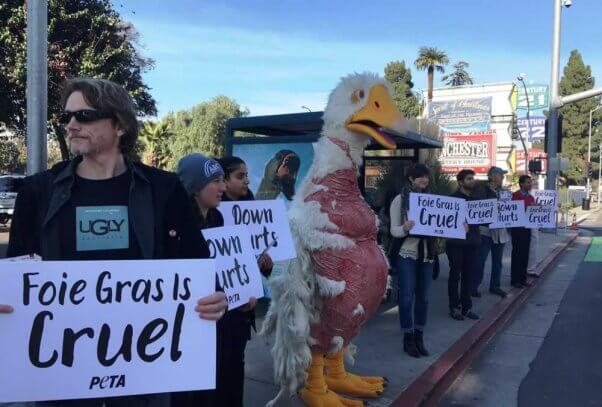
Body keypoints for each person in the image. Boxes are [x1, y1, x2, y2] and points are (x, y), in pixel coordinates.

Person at [2, 78, 227, 407]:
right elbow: (15, 275)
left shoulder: (164, 190)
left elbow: (198, 266)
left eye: (84, 116)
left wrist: (214, 299)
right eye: (66, 118)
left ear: (120, 125)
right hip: (61, 372)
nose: (72, 125)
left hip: (145, 372)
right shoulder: (39, 192)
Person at [174, 153, 259, 407]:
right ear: (194, 186)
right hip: (196, 327)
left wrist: (245, 293)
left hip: (230, 323)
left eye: (223, 180)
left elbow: (228, 268)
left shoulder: (217, 218)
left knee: (229, 382)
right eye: (215, 181)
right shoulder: (174, 225)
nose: (222, 188)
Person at [215, 156, 273, 406]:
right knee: (216, 369)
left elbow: (256, 261)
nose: (247, 180)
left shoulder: (252, 208)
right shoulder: (209, 213)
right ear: (223, 180)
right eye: (240, 176)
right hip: (217, 311)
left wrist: (265, 264)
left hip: (243, 309)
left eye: (247, 175)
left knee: (235, 367)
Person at [389, 164, 436, 358]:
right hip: (407, 254)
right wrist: (405, 228)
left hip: (427, 255)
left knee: (423, 298)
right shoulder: (400, 200)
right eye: (419, 177)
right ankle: (407, 337)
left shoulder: (433, 200)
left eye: (426, 176)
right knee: (406, 297)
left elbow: (443, 224)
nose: (424, 180)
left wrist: (460, 226)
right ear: (411, 179)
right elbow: (394, 230)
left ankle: (419, 336)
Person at [446, 170, 480, 321]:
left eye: (473, 179)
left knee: (469, 276)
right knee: (455, 275)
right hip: (456, 244)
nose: (472, 181)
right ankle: (454, 307)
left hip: (472, 243)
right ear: (460, 182)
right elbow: (446, 222)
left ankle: (467, 307)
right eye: (469, 179)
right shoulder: (452, 199)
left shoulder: (476, 200)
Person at [473, 167, 511, 298]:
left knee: (497, 262)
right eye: (501, 175)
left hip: (501, 232)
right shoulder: (482, 189)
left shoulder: (504, 191)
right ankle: (474, 286)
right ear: (493, 176)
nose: (502, 178)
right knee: (480, 260)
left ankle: (495, 286)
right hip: (486, 232)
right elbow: (479, 206)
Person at [511, 175, 535, 289]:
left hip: (527, 229)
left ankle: (522, 279)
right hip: (517, 229)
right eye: (527, 182)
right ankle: (515, 280)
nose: (530, 184)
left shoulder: (531, 198)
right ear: (521, 184)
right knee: (517, 255)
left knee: (525, 254)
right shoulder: (515, 196)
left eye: (530, 182)